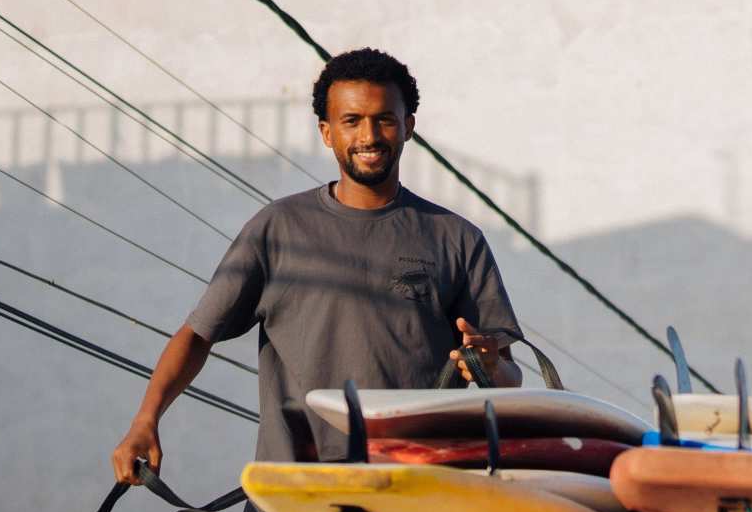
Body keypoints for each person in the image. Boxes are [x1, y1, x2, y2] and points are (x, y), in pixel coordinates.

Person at [111, 48, 523, 484]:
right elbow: (197, 335)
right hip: (307, 488)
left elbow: (509, 376)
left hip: (428, 486)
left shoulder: (456, 238)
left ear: (408, 127)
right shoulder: (278, 227)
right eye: (351, 121)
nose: (369, 135)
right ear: (327, 133)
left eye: (384, 118)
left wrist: (490, 366)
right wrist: (146, 419)